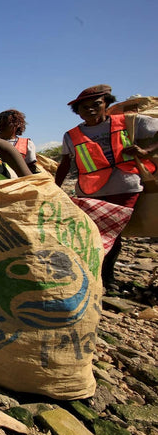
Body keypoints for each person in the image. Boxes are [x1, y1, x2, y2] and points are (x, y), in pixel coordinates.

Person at [55, 84, 158, 289]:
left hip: (125, 186)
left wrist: (146, 151)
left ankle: (105, 278)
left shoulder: (129, 122)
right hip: (89, 190)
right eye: (84, 108)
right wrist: (54, 188)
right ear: (78, 112)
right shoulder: (71, 135)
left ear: (106, 104)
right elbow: (65, 164)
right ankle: (102, 277)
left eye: (96, 104)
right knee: (97, 233)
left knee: (110, 234)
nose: (91, 110)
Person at [0, 109, 40, 174]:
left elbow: (31, 167)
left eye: (4, 126)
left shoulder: (27, 144)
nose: (0, 129)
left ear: (16, 125)